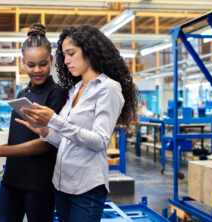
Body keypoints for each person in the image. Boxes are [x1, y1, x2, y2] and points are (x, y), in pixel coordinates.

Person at [13, 25, 139, 222]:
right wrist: (43, 129)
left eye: (71, 53)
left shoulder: (108, 89)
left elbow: (100, 141)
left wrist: (54, 120)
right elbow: (61, 138)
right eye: (63, 55)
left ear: (88, 50)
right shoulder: (75, 90)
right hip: (62, 185)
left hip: (86, 188)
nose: (66, 61)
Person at [0, 23, 66, 222]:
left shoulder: (56, 95)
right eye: (31, 65)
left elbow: (46, 143)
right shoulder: (23, 94)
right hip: (12, 179)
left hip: (38, 184)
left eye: (43, 64)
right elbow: (17, 139)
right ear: (22, 63)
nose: (37, 70)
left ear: (52, 61)